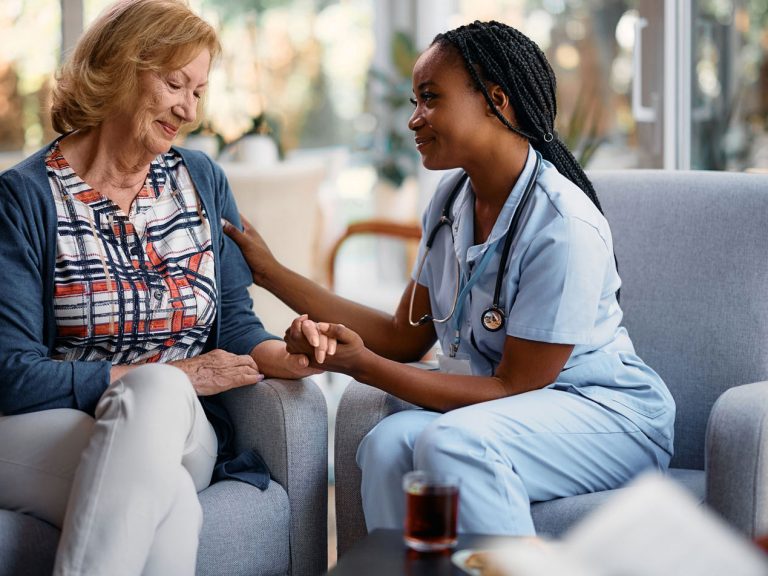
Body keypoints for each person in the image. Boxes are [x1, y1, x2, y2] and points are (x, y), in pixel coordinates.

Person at [224, 20, 676, 536]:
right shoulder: (449, 202)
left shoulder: (562, 224)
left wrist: (362, 366)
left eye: (430, 98)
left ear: (496, 100)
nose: (414, 119)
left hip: (607, 418)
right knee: (386, 443)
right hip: (512, 412)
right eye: (415, 100)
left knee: (452, 441)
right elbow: (402, 336)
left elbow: (513, 386)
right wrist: (269, 272)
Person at [0, 1, 320, 573]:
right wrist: (171, 373)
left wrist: (284, 356)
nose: (188, 108)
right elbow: (11, 373)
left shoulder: (202, 182)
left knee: (160, 396)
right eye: (175, 83)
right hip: (59, 421)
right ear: (122, 67)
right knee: (166, 500)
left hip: (181, 427)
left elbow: (235, 320)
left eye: (198, 91)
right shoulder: (24, 199)